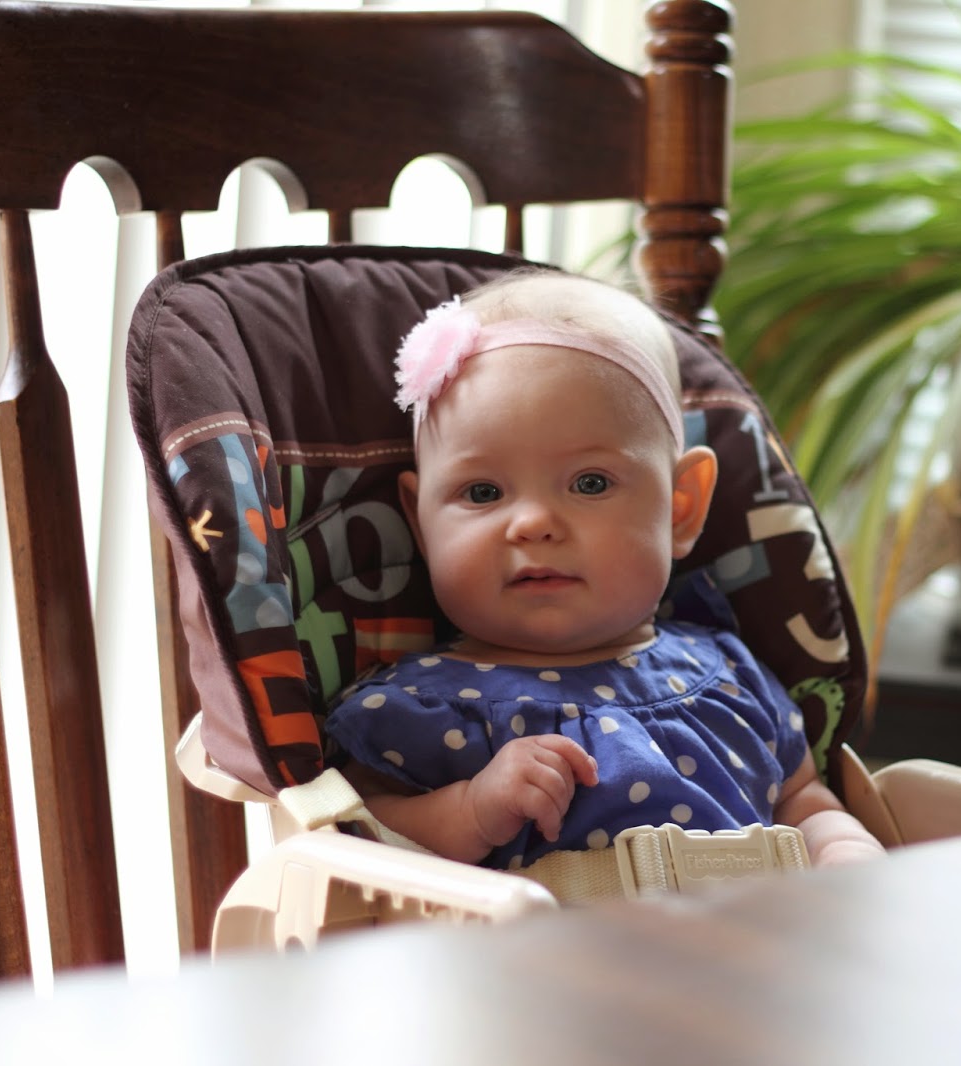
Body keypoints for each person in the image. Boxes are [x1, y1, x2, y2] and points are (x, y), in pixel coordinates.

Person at [324, 270, 884, 883]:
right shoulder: (421, 710)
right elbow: (357, 841)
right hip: (539, 944)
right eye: (483, 492)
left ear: (680, 507)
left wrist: (843, 851)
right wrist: (471, 811)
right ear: (421, 521)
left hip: (753, 938)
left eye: (590, 483)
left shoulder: (730, 675)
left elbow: (802, 800)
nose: (533, 524)